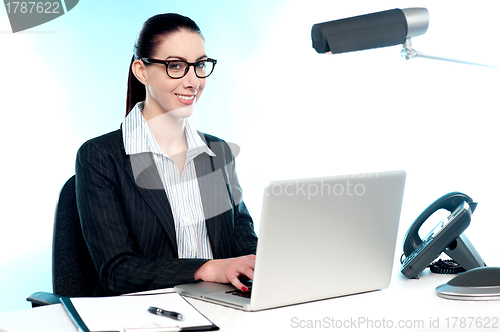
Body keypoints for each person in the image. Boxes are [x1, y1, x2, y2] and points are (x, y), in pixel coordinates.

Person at [75, 13, 257, 296]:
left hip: (224, 306)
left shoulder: (218, 152)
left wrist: (272, 262)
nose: (193, 81)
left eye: (200, 65)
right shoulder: (100, 156)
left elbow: (244, 243)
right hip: (145, 313)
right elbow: (117, 271)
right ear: (142, 71)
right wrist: (206, 268)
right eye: (176, 66)